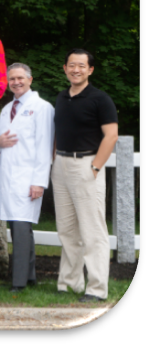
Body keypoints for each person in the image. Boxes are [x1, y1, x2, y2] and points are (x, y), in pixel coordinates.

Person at [52, 49, 118, 303]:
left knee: (92, 231)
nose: (75, 69)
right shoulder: (61, 97)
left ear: (90, 70)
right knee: (67, 230)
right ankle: (70, 283)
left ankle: (97, 288)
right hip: (61, 166)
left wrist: (95, 167)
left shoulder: (100, 99)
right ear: (65, 68)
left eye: (81, 65)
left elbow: (111, 135)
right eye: (71, 65)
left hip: (86, 165)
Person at [0, 64, 54, 293]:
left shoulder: (42, 107)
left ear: (30, 79)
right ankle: (28, 277)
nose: (16, 82)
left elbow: (44, 146)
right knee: (18, 228)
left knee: (20, 229)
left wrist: (39, 181)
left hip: (28, 178)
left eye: (20, 78)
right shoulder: (7, 108)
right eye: (12, 79)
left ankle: (17, 282)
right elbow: (0, 143)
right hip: (8, 177)